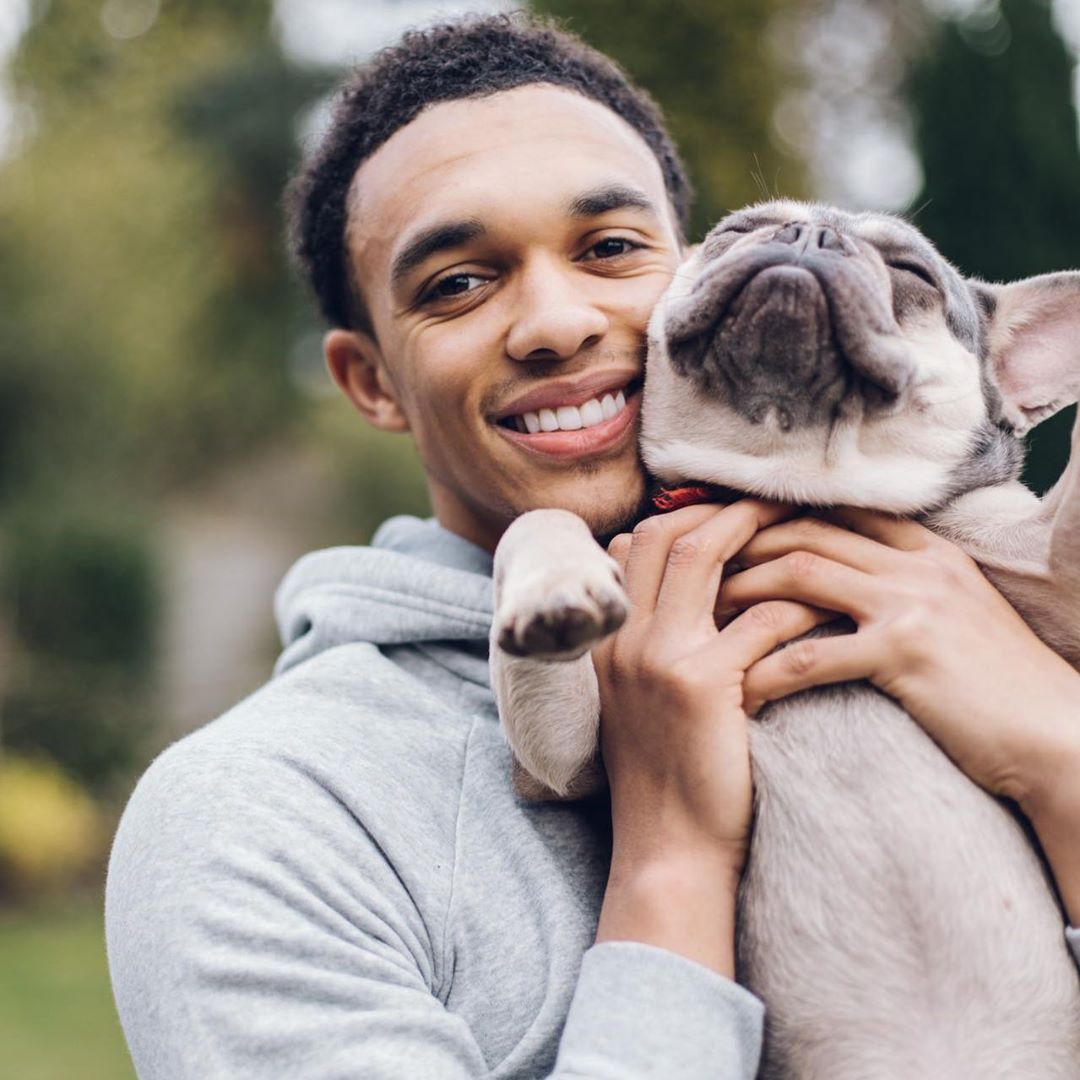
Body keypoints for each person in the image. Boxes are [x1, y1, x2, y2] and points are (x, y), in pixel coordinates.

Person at [105, 12, 1080, 1078]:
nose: (557, 322)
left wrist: (1059, 756)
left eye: (612, 248)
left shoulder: (984, 609)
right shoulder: (265, 817)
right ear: (372, 380)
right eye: (457, 284)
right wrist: (670, 855)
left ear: (687, 268)